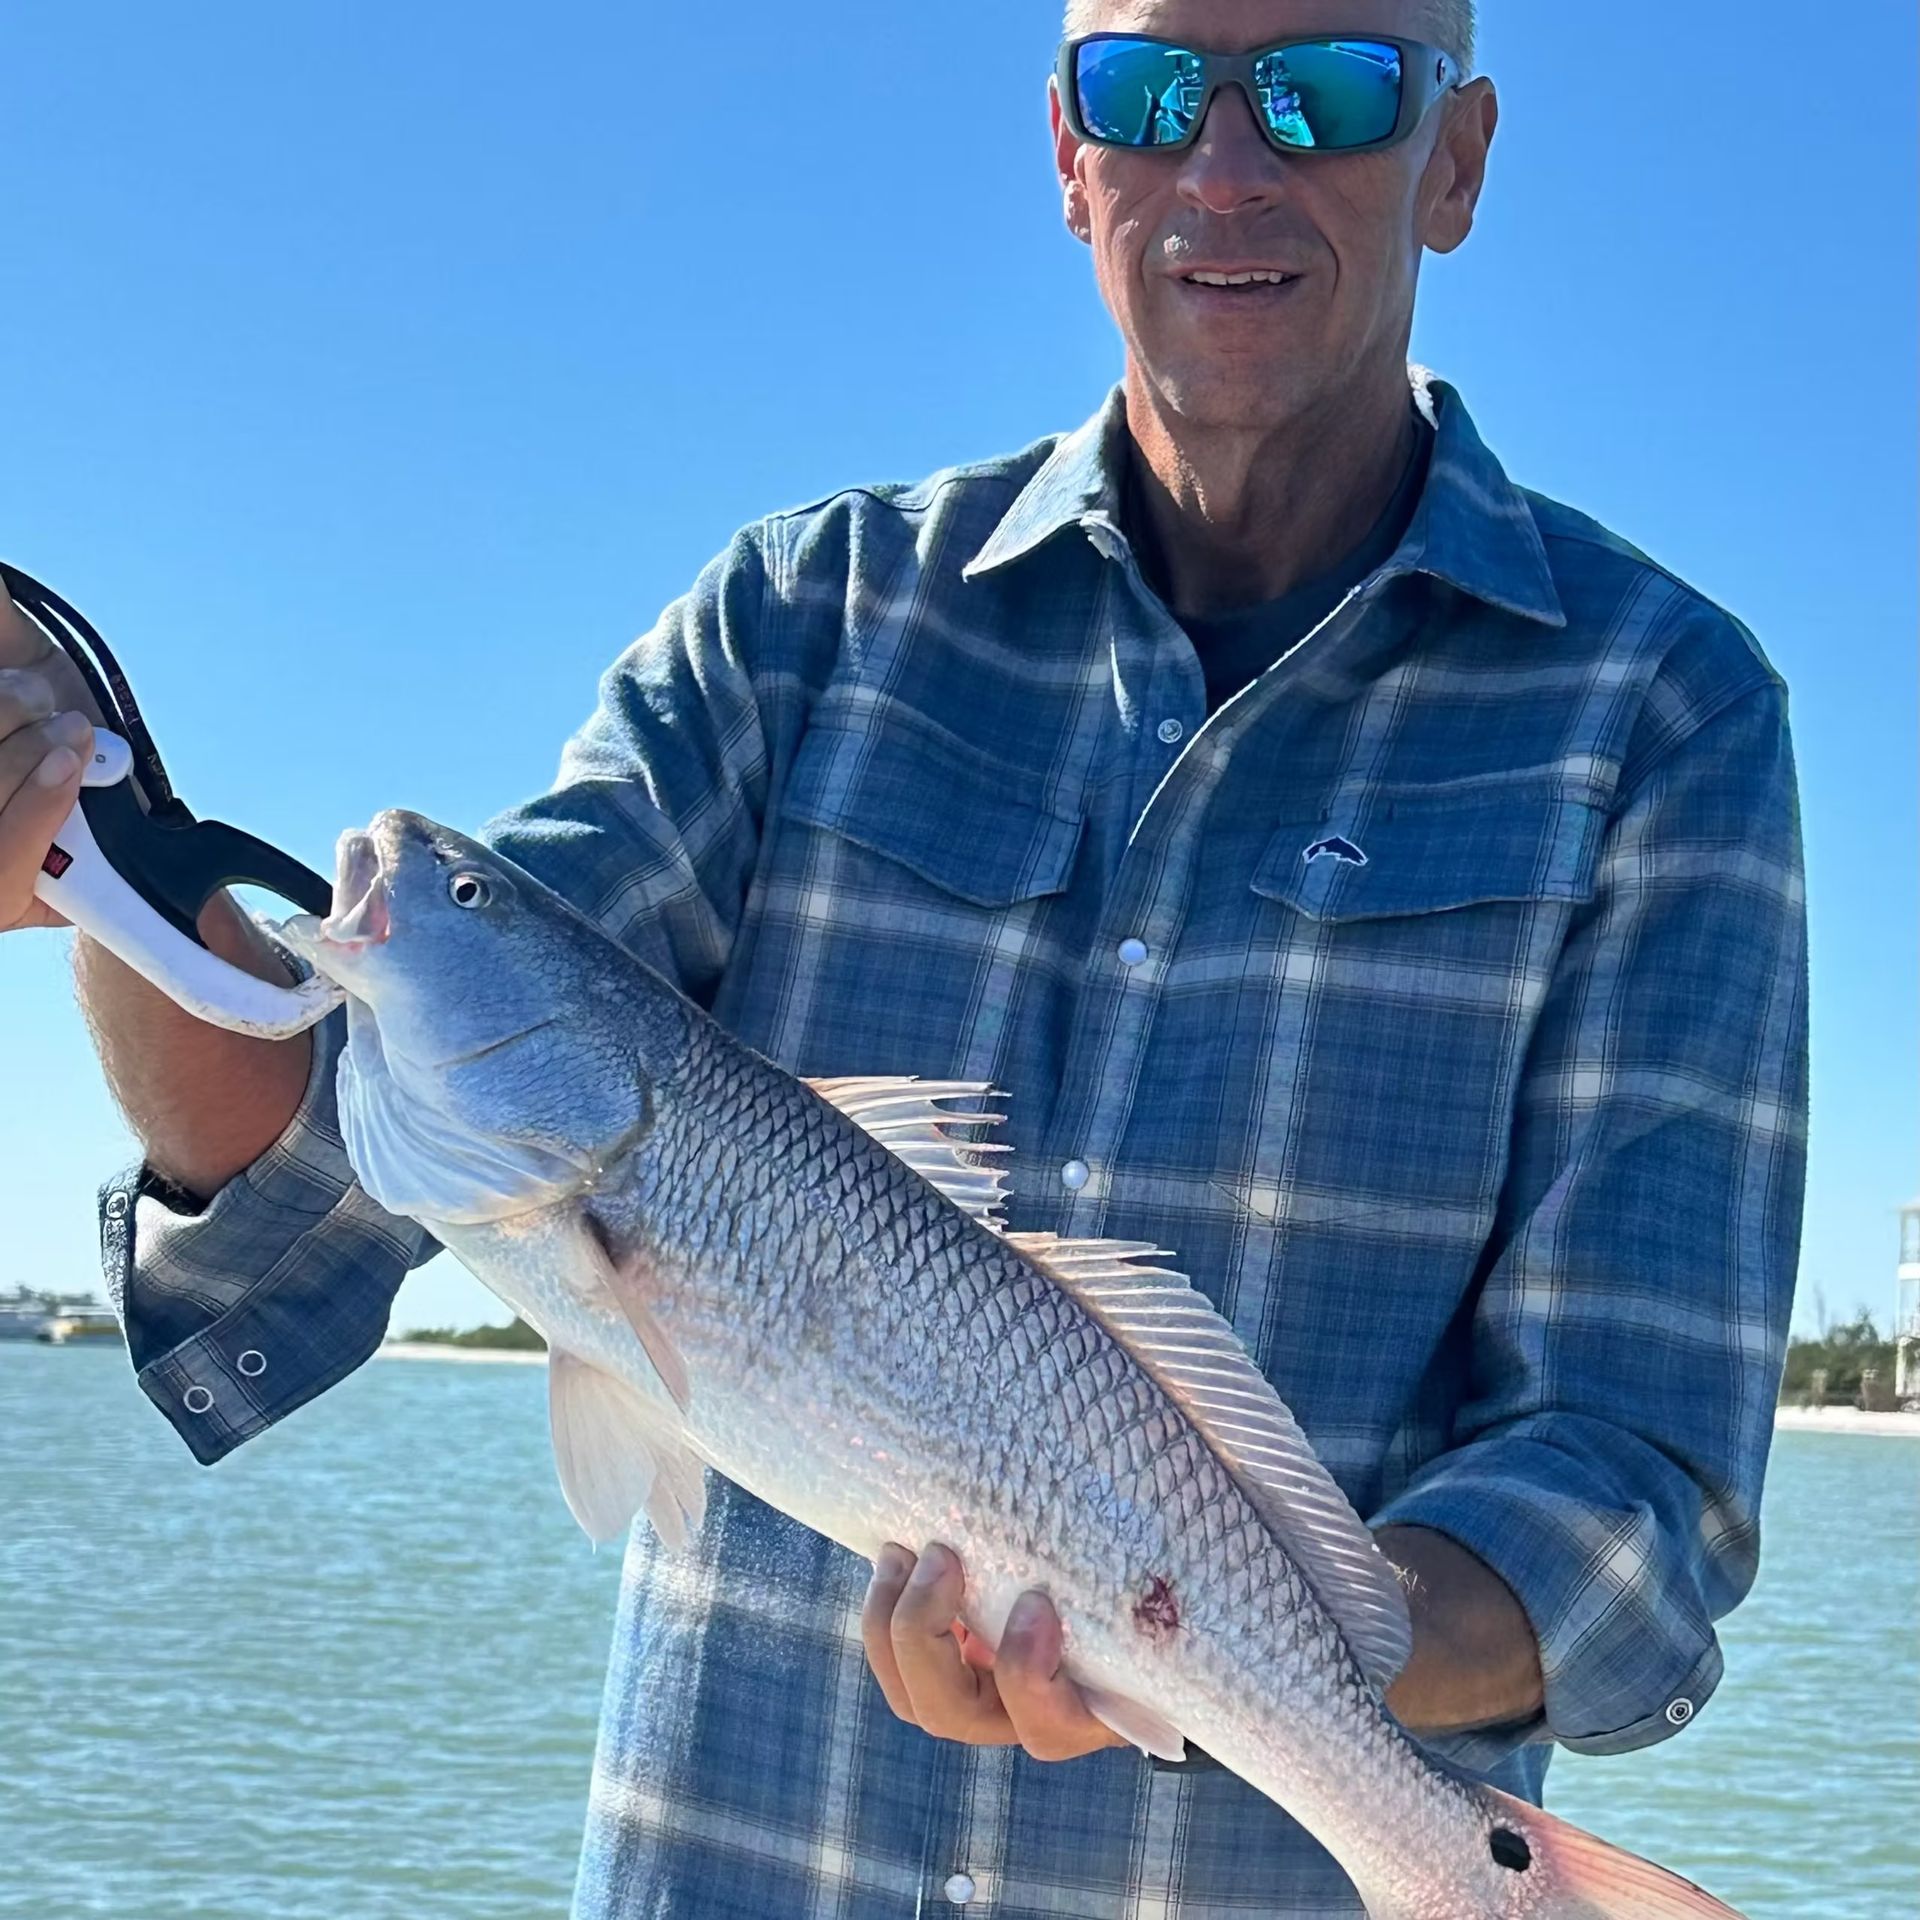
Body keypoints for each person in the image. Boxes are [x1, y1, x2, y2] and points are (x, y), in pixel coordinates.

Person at [0, 2, 1808, 1914]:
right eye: (1147, 90)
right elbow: (307, 1151)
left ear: (1455, 159)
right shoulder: (793, 625)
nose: (1224, 164)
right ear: (1065, 155)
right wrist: (84, 839)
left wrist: (1240, 1647)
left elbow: (1636, 1478)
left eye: (1329, 87)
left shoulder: (1662, 715)